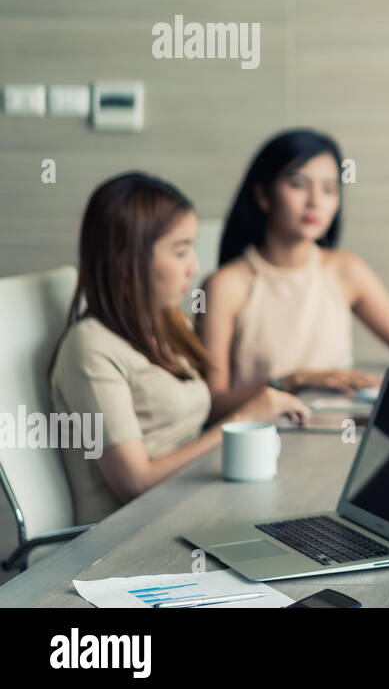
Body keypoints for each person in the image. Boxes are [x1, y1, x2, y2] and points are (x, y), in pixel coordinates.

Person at [49, 172, 309, 525]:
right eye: (180, 250)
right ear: (127, 259)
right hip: (124, 538)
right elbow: (135, 484)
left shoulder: (171, 325)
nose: (194, 267)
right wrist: (242, 420)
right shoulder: (90, 348)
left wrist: (275, 393)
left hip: (187, 508)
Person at [197, 129, 389, 420]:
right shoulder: (225, 286)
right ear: (263, 195)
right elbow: (213, 403)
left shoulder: (346, 270)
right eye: (299, 184)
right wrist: (297, 380)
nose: (315, 201)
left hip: (335, 434)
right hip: (262, 444)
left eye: (328, 189)